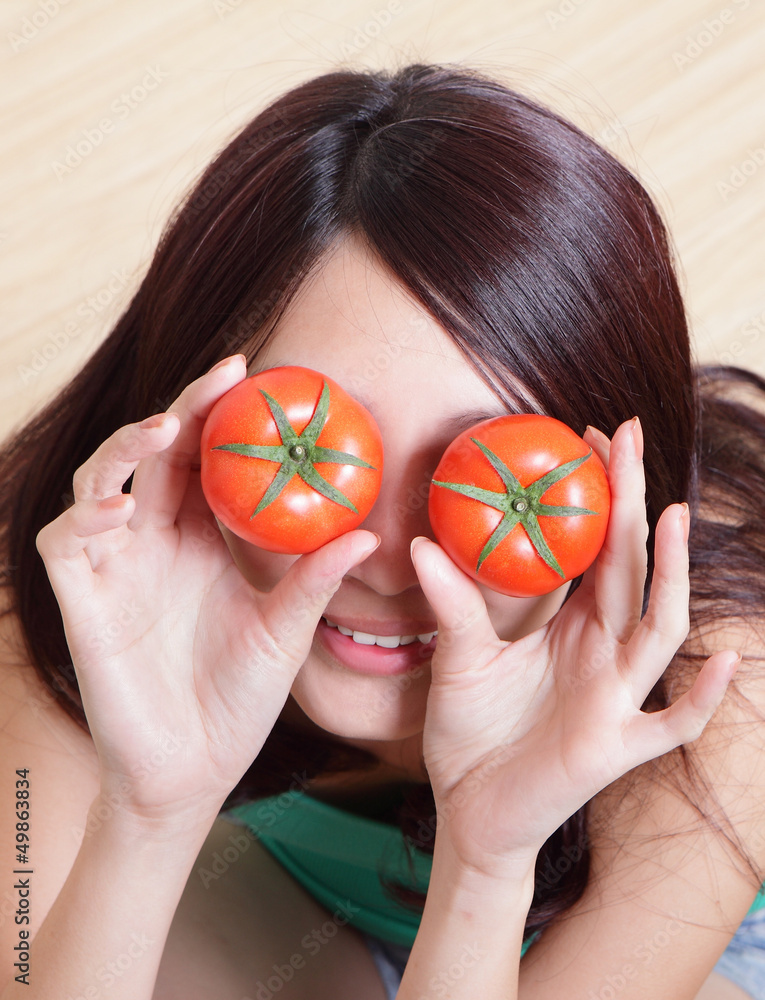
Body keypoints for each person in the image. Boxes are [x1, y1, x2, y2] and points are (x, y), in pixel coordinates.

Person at [1, 60, 765, 1000]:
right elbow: (28, 962)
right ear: (189, 421)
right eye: (309, 451)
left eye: (488, 471)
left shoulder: (716, 679)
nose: (392, 566)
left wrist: (487, 863)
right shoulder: (80, 583)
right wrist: (149, 811)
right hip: (321, 929)